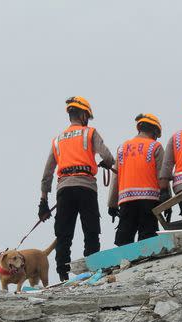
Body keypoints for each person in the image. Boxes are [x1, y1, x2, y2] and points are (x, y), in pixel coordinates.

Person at [39, 96, 115, 281]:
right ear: (82, 115)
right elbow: (108, 157)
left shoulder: (57, 140)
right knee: (91, 229)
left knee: (63, 233)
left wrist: (43, 201)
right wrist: (105, 163)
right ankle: (92, 269)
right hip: (86, 186)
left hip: (64, 189)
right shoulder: (90, 133)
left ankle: (63, 274)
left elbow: (48, 172)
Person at [107, 113, 168, 245]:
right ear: (154, 131)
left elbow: (115, 177)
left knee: (124, 237)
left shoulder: (122, 148)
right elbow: (162, 176)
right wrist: (167, 201)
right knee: (148, 238)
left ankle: (121, 264)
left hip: (126, 201)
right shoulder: (155, 146)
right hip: (149, 201)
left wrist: (112, 204)